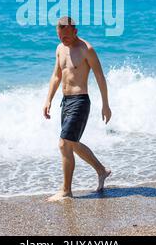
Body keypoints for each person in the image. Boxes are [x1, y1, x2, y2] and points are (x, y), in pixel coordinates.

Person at [43, 16, 112, 202]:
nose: (63, 40)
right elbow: (56, 76)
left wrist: (106, 104)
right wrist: (48, 99)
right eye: (60, 36)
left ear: (75, 31)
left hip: (80, 101)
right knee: (72, 143)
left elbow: (100, 76)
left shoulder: (86, 50)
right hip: (65, 102)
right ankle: (101, 170)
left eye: (66, 36)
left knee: (64, 143)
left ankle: (66, 191)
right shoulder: (59, 49)